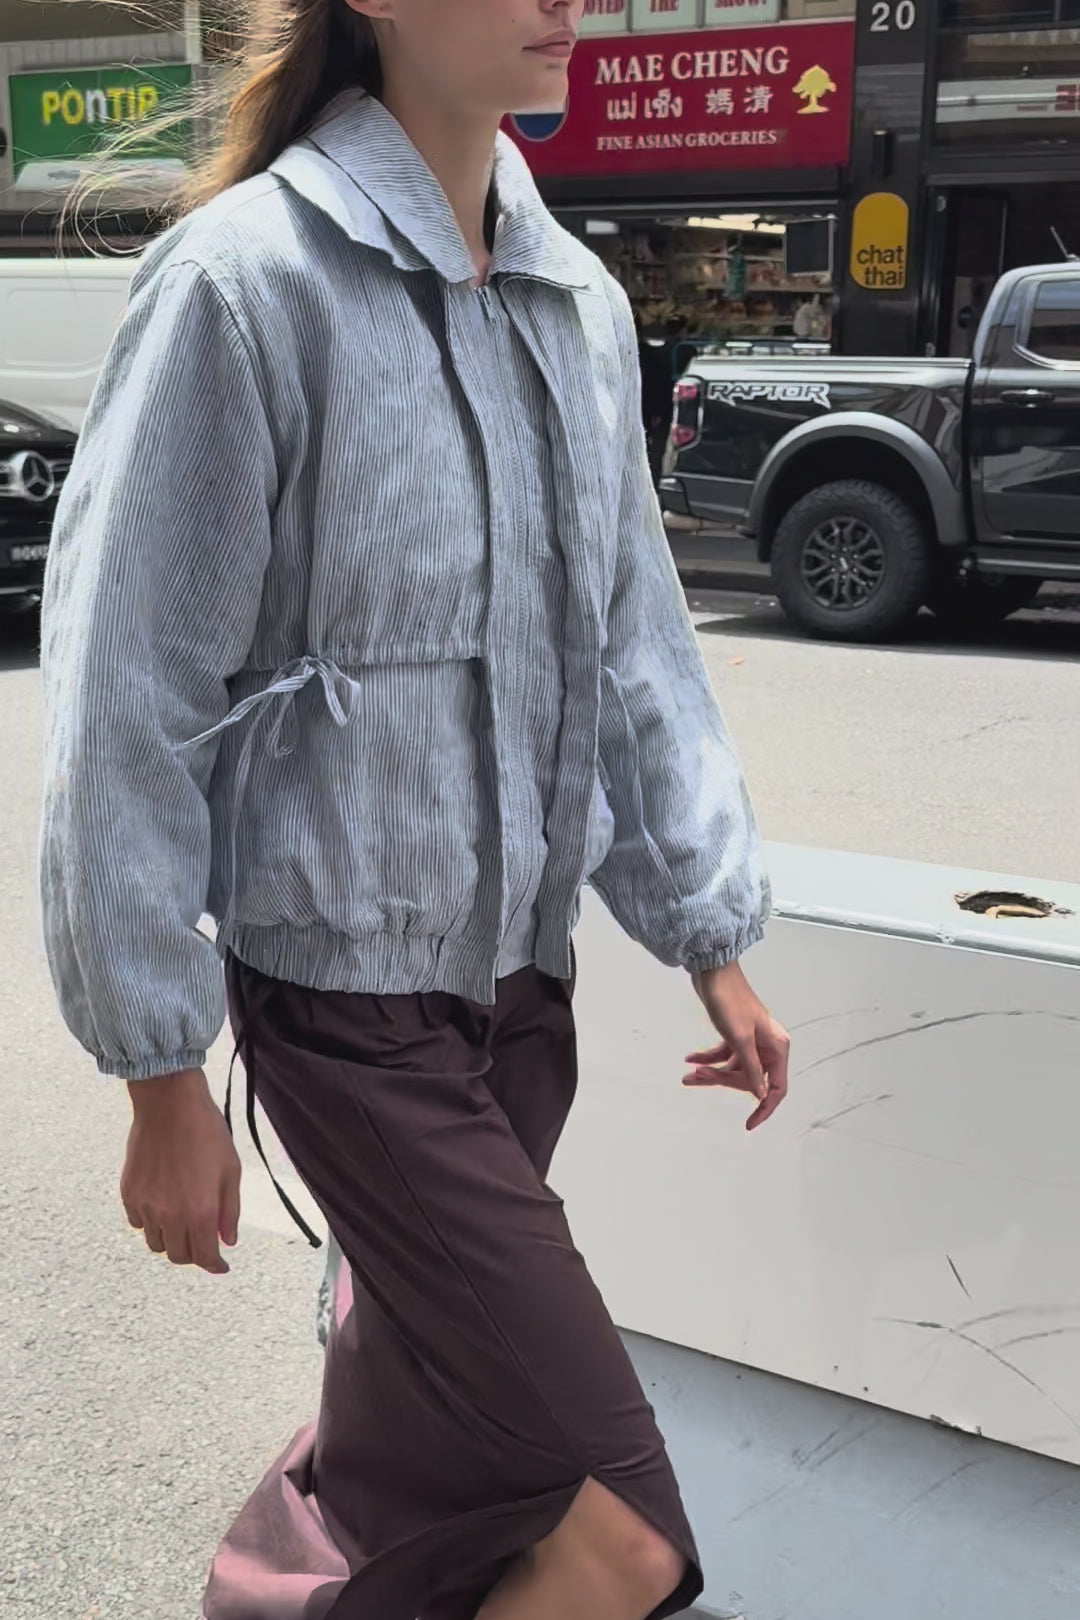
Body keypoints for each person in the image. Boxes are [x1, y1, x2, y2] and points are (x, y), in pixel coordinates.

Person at [38, 2, 790, 1617]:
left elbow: (632, 643)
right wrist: (159, 1072)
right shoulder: (245, 285)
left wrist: (709, 938)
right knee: (625, 1536)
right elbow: (128, 687)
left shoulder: (577, 301)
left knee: (425, 1462)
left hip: (521, 1003)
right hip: (346, 1010)